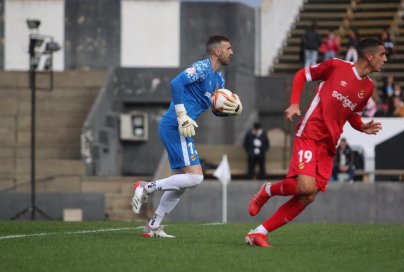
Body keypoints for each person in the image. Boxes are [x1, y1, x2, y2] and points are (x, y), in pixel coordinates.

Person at [245, 37, 385, 248]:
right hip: (310, 132)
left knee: (308, 195)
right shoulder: (336, 66)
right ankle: (268, 191)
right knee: (305, 186)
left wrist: (361, 126)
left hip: (329, 145)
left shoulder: (368, 88)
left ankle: (259, 232)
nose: (385, 59)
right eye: (382, 54)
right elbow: (302, 74)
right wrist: (294, 104)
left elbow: (352, 115)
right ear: (369, 55)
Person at [131, 35, 242, 238]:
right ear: (217, 51)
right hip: (176, 124)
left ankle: (153, 227)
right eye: (228, 48)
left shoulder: (219, 79)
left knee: (180, 183)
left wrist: (230, 108)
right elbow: (176, 83)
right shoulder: (201, 68)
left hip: (184, 127)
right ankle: (146, 186)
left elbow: (215, 108)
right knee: (195, 177)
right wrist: (182, 115)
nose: (231, 52)